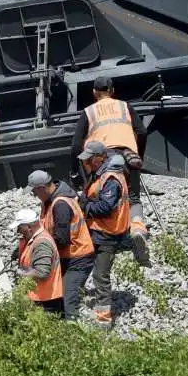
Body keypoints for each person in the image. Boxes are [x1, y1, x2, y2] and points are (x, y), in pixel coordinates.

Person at [69, 76, 151, 267]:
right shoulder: (125, 106)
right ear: (113, 91)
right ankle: (138, 230)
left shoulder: (89, 111)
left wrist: (74, 171)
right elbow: (142, 131)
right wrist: (139, 154)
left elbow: (75, 145)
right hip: (130, 157)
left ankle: (104, 237)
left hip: (103, 160)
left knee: (99, 197)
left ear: (94, 93)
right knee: (133, 198)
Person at [26, 169, 95, 321]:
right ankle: (59, 325)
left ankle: (73, 330)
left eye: (35, 192)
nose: (34, 196)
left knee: (68, 296)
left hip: (79, 258)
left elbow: (61, 240)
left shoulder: (60, 205)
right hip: (67, 257)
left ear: (42, 188)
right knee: (56, 294)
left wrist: (40, 250)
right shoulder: (49, 201)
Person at [76, 140, 132, 327]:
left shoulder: (110, 178)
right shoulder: (99, 174)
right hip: (98, 231)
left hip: (108, 235)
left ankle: (104, 319)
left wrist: (85, 206)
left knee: (100, 275)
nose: (86, 164)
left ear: (100, 158)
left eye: (89, 160)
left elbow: (106, 207)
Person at [9, 208, 64, 317]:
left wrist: (20, 273)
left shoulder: (42, 243)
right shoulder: (35, 239)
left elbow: (42, 272)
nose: (18, 232)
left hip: (45, 302)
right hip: (40, 298)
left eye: (20, 227)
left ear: (29, 227)